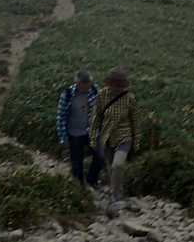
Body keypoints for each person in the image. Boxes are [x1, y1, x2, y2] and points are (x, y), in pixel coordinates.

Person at [89, 68, 138, 205]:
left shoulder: (130, 98)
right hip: (106, 137)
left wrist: (136, 141)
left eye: (120, 86)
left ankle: (117, 196)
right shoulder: (102, 95)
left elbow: (135, 121)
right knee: (111, 167)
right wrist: (93, 137)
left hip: (124, 137)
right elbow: (96, 118)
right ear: (109, 84)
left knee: (118, 165)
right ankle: (115, 192)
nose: (118, 88)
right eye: (116, 85)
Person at [55, 70, 102, 188]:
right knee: (77, 164)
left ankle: (92, 180)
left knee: (100, 156)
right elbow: (61, 117)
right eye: (85, 87)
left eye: (89, 86)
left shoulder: (95, 90)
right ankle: (80, 188)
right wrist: (63, 138)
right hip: (74, 133)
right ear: (78, 84)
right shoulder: (67, 95)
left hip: (91, 131)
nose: (87, 89)